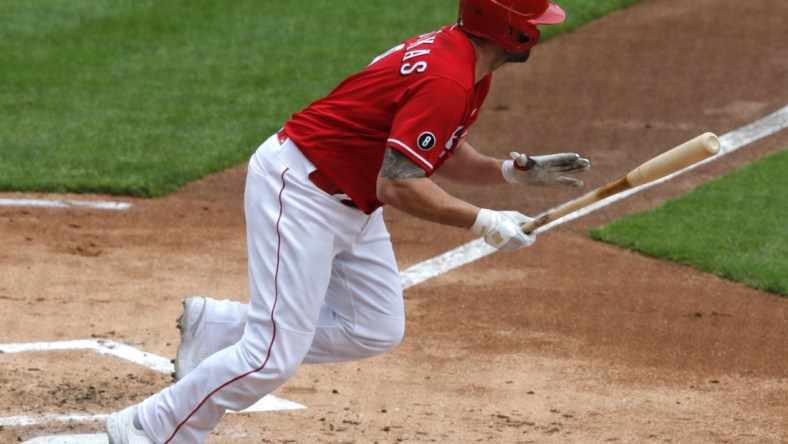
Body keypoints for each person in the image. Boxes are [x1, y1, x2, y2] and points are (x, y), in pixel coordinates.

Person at [106, 0, 589, 442]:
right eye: (534, 20)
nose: (539, 28)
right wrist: (482, 221)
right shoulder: (449, 78)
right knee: (269, 358)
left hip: (347, 198)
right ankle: (150, 428)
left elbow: (435, 150)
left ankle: (218, 328)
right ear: (510, 29)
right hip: (300, 191)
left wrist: (508, 173)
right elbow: (398, 185)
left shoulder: (464, 61)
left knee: (373, 326)